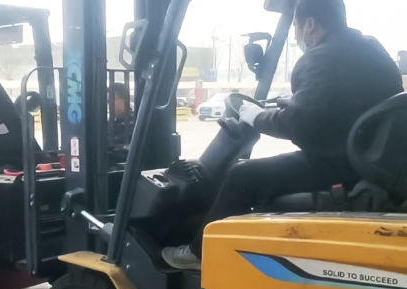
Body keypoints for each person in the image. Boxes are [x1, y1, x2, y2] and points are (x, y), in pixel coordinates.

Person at [162, 0, 403, 270]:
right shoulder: (372, 49)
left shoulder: (319, 57)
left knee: (242, 176)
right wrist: (294, 102)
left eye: (296, 27)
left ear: (309, 24)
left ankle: (199, 254)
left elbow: (297, 125)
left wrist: (256, 116)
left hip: (336, 163)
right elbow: (349, 101)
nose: (298, 36)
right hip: (374, 161)